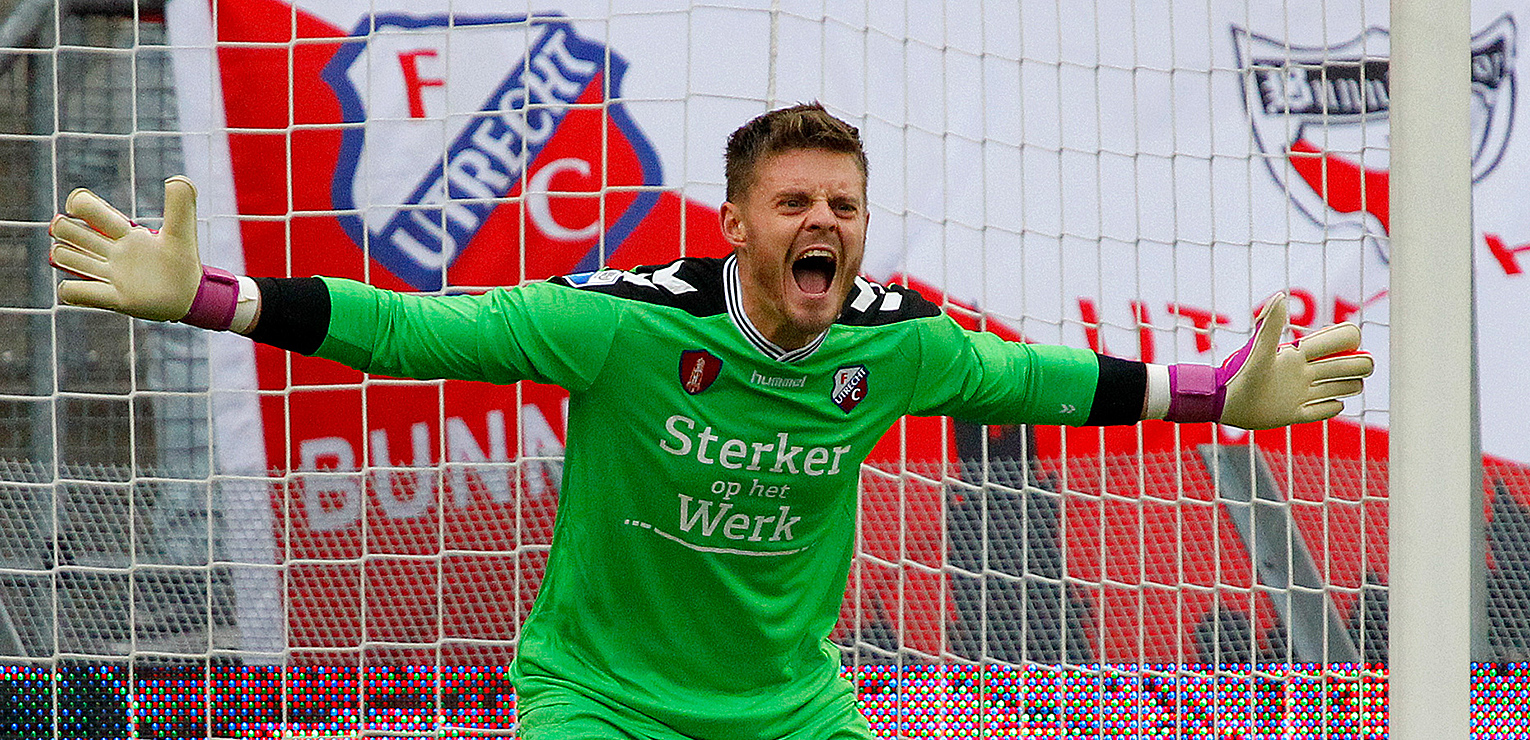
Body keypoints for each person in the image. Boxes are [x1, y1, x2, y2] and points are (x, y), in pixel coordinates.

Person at [46, 103, 1372, 739]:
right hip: (600, 701)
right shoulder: (621, 326)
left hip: (789, 707)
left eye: (843, 204)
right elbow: (405, 333)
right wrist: (208, 296)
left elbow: (1054, 385)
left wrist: (1224, 393)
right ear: (736, 224)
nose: (822, 222)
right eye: (794, 203)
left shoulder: (895, 346)